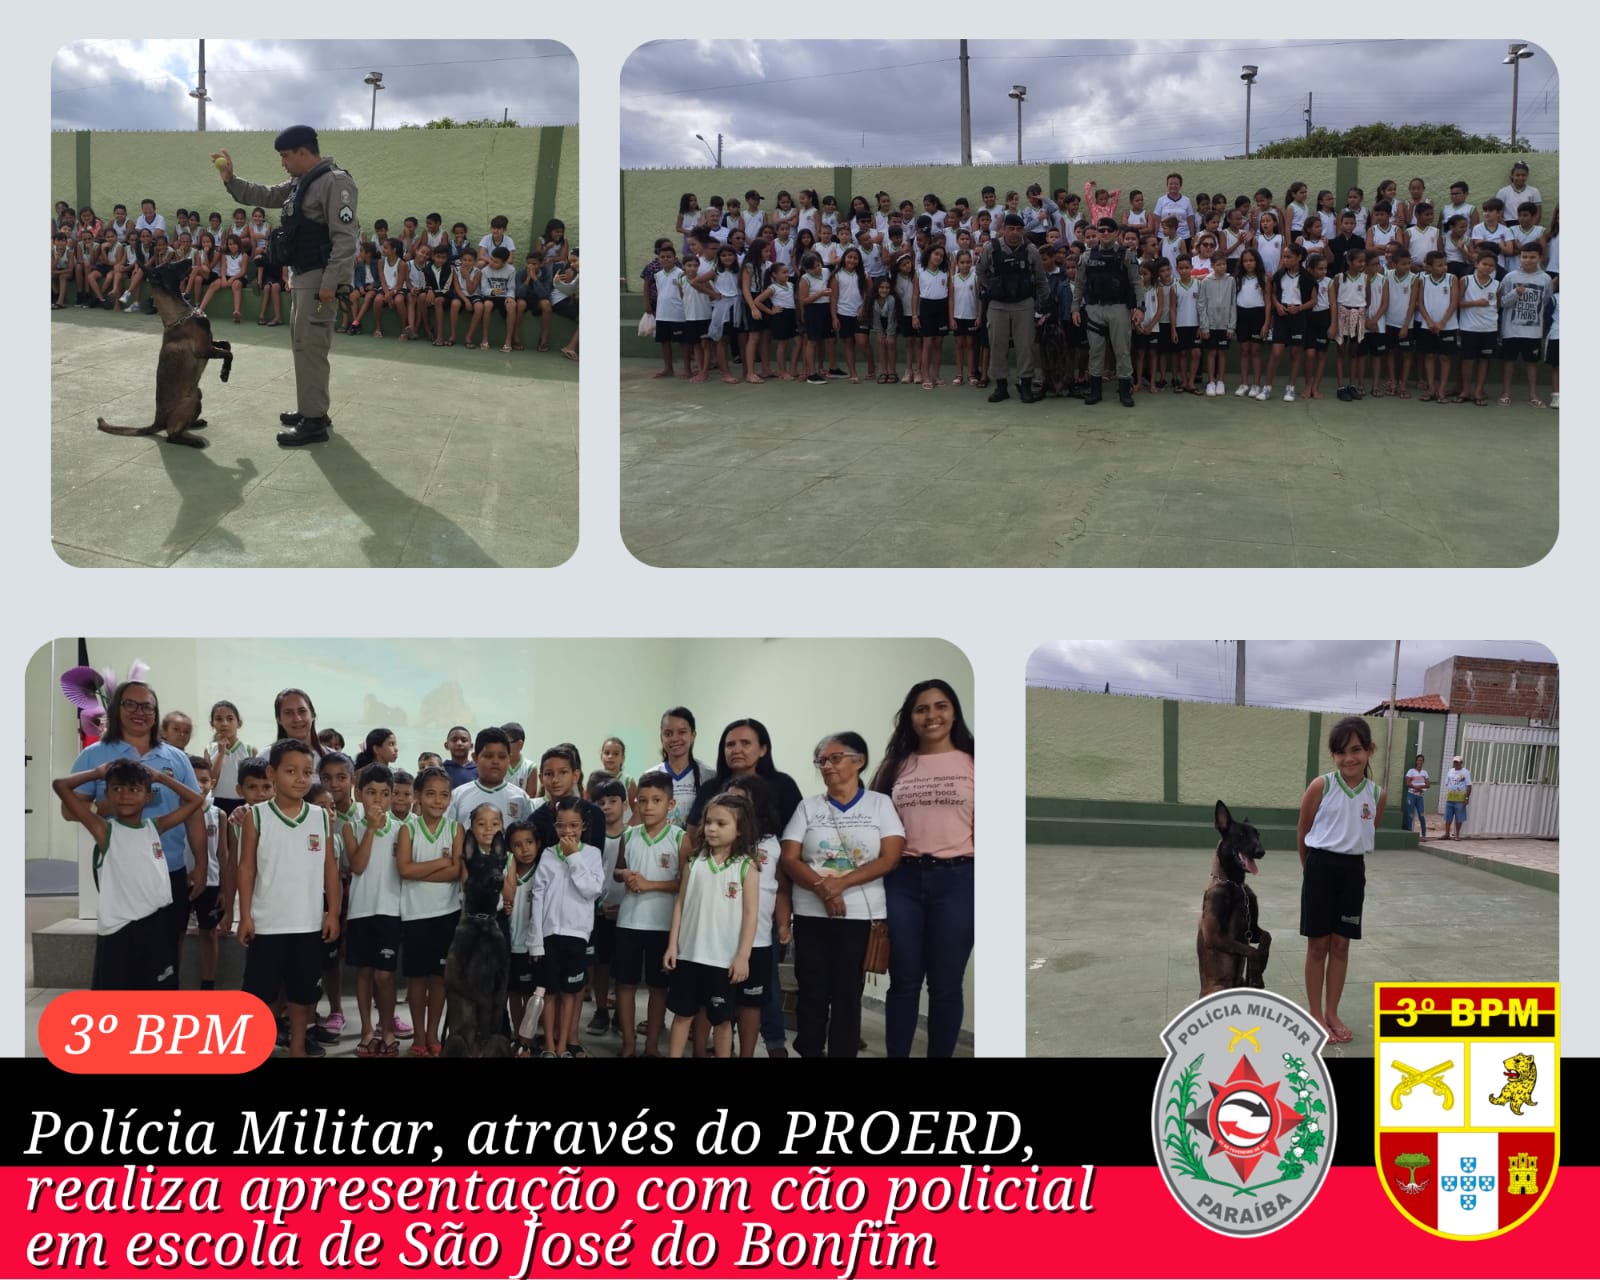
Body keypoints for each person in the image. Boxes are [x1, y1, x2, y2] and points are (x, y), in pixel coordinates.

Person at [213, 125, 358, 446]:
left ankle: (315, 421)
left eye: (285, 156)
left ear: (304, 152)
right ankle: (312, 409)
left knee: (311, 347)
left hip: (320, 279)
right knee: (303, 345)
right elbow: (264, 195)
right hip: (303, 276)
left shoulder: (336, 183)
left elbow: (346, 239)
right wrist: (231, 181)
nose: (283, 163)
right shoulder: (301, 182)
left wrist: (331, 284)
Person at [64, 676, 206, 991]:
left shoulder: (175, 757)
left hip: (170, 869)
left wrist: (201, 862)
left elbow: (194, 812)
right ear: (117, 709)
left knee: (167, 951)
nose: (139, 712)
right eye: (131, 704)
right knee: (120, 952)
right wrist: (116, 805)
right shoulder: (95, 755)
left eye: (147, 707)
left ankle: (158, 1022)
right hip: (121, 873)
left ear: (156, 714)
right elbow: (68, 808)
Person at [780, 733, 905, 1058]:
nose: (827, 765)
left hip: (859, 916)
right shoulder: (808, 807)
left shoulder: (880, 804)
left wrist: (841, 884)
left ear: (859, 761)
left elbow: (890, 857)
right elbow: (790, 857)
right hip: (809, 913)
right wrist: (823, 887)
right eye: (821, 760)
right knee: (811, 989)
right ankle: (809, 1049)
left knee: (848, 992)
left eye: (835, 758)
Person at [870, 681, 974, 1059]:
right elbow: (876, 824)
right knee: (904, 982)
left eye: (940, 706)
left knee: (946, 986)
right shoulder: (896, 766)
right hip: (903, 880)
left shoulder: (974, 761)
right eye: (921, 709)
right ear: (910, 718)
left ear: (954, 712)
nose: (932, 716)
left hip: (960, 881)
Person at [54, 759, 206, 991]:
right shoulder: (104, 830)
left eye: (134, 789)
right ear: (107, 794)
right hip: (118, 930)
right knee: (116, 1000)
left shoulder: (154, 827)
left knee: (157, 995)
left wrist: (161, 777)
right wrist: (97, 771)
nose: (125, 795)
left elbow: (196, 800)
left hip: (155, 925)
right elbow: (60, 786)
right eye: (117, 789)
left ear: (148, 796)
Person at [237, 738, 342, 1058]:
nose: (300, 778)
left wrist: (333, 913)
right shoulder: (255, 817)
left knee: (303, 993)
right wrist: (246, 916)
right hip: (268, 923)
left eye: (307, 772)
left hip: (308, 923)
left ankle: (297, 1046)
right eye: (291, 771)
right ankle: (255, 1048)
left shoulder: (320, 817)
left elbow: (330, 869)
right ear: (272, 772)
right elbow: (246, 869)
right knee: (260, 995)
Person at [1296, 716, 1385, 1046]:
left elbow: (1364, 833)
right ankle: (1315, 1014)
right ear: (1333, 756)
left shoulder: (1377, 794)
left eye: (1356, 749)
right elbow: (1303, 833)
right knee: (1318, 943)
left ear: (1369, 750)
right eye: (1340, 752)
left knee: (1341, 944)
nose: (1349, 758)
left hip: (1352, 872)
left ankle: (1333, 1012)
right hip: (1320, 867)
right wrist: (1311, 871)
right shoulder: (1322, 786)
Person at [664, 791, 761, 1060]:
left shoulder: (746, 866)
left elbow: (752, 914)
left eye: (721, 823)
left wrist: (743, 956)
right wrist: (673, 945)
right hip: (689, 955)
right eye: (708, 822)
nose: (711, 829)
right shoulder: (694, 862)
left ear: (740, 829)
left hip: (722, 960)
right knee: (682, 1016)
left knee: (722, 1021)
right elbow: (681, 904)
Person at [614, 771, 684, 1059]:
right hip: (629, 922)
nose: (648, 806)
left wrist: (650, 884)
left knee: (658, 988)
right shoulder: (628, 835)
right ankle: (628, 1044)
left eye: (656, 800)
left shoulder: (681, 838)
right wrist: (626, 874)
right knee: (625, 984)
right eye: (642, 801)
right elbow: (618, 870)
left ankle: (652, 1044)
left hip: (663, 925)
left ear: (671, 804)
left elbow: (686, 882)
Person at [395, 765, 463, 1058]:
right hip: (415, 914)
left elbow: (458, 870)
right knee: (417, 979)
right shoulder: (407, 828)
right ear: (417, 797)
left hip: (447, 913)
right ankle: (419, 1035)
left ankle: (434, 1032)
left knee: (438, 978)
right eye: (431, 794)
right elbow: (404, 869)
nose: (438, 801)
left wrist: (421, 871)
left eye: (444, 795)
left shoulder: (455, 828)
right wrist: (440, 863)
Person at [532, 796, 604, 1058]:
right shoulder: (549, 854)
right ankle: (550, 1047)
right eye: (562, 825)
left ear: (583, 825)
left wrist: (574, 858)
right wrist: (536, 939)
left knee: (571, 994)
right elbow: (538, 898)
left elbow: (592, 891)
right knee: (549, 993)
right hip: (550, 935)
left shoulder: (592, 854)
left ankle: (564, 1046)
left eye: (574, 825)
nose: (567, 831)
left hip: (577, 936)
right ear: (555, 825)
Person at [343, 764, 403, 1058]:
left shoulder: (403, 828)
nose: (378, 800)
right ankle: (368, 1029)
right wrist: (370, 828)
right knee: (365, 973)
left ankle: (387, 1028)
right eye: (371, 793)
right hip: (360, 911)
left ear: (392, 797)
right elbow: (358, 865)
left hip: (391, 910)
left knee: (385, 975)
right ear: (359, 794)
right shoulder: (350, 827)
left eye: (384, 793)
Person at [976, 213, 1050, 403]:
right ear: (1004, 229)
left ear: (1023, 230)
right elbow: (980, 272)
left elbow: (1041, 279)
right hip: (998, 304)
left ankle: (1025, 385)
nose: (1015, 233)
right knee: (997, 345)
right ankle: (1001, 387)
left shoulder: (1031, 250)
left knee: (1025, 346)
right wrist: (993, 287)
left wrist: (1043, 304)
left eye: (1018, 229)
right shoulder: (990, 248)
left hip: (1023, 303)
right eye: (1011, 229)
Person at [1072, 217, 1144, 407]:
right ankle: (1095, 391)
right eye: (1101, 230)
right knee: (1096, 350)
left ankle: (1125, 391)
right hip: (1094, 308)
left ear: (1115, 234)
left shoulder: (1126, 255)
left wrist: (1140, 308)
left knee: (1122, 350)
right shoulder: (1087, 257)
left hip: (1119, 308)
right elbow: (1079, 285)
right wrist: (1075, 308)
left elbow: (1137, 282)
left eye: (1108, 231)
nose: (1104, 234)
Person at [1442, 754, 1473, 840]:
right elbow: (1447, 782)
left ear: (1461, 763)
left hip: (1460, 798)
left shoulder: (1465, 772)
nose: (1456, 764)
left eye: (1458, 762)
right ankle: (1446, 834)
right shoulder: (1450, 771)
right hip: (1450, 797)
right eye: (1455, 762)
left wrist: (1466, 798)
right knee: (1448, 817)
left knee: (1459, 817)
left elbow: (1469, 786)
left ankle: (1457, 835)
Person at [1402, 754, 1432, 837]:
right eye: (1418, 760)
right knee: (1410, 815)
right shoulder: (1411, 771)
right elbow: (1407, 783)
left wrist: (1419, 787)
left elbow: (1428, 784)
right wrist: (1415, 786)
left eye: (1421, 760)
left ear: (1423, 762)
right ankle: (1409, 834)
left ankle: (1424, 835)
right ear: (1416, 761)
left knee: (1421, 815)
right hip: (1411, 795)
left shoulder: (1424, 772)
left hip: (1420, 796)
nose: (1420, 762)